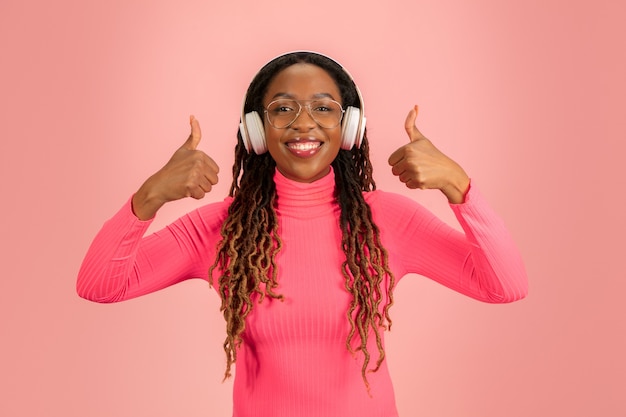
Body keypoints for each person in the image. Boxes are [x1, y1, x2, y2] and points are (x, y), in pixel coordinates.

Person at [77, 51, 528, 417]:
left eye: (323, 108)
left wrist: (458, 184)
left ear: (349, 127)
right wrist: (150, 196)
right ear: (256, 130)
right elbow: (99, 286)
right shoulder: (222, 230)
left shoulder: (387, 220)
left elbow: (505, 286)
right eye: (283, 108)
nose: (303, 122)